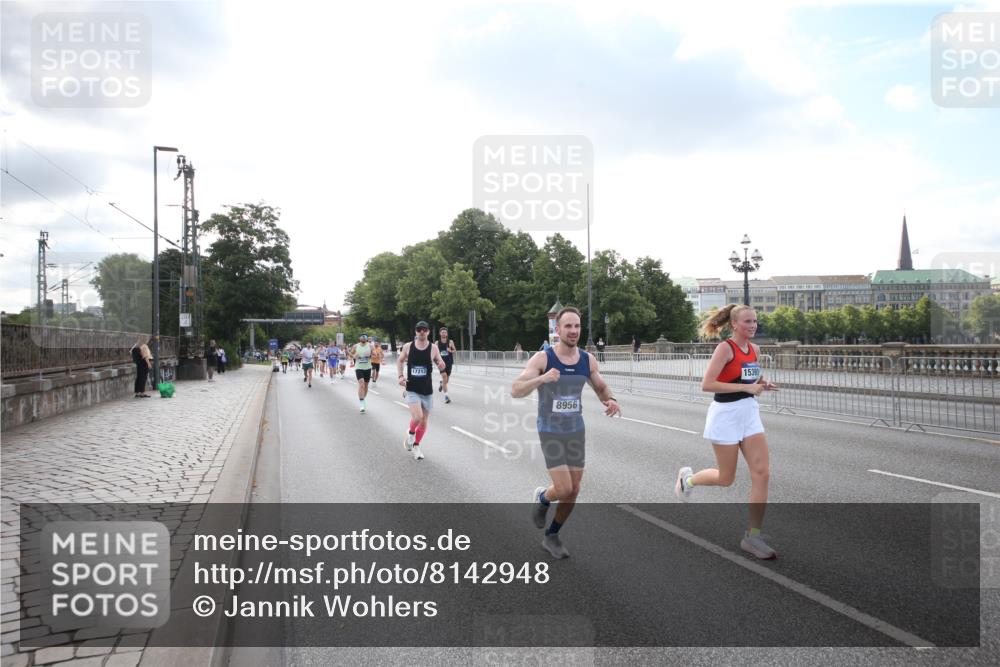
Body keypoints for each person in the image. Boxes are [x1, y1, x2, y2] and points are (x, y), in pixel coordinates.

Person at [512, 306, 621, 559]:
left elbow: (601, 386)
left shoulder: (587, 359)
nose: (573, 331)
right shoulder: (543, 359)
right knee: (562, 488)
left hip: (575, 430)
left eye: (577, 326)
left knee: (574, 490)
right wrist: (541, 379)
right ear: (557, 330)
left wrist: (611, 398)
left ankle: (552, 535)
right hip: (550, 429)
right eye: (568, 326)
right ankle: (543, 498)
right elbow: (516, 389)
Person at [675, 304, 779, 559]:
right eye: (747, 322)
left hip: (749, 414)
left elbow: (751, 379)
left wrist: (763, 384)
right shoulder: (725, 348)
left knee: (762, 473)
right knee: (726, 478)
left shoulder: (755, 349)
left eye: (755, 321)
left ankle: (753, 536)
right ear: (734, 324)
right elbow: (707, 384)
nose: (753, 325)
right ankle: (687, 480)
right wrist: (746, 389)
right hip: (726, 416)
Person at [397, 321, 447, 461]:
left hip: (427, 389)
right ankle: (411, 433)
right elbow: (400, 361)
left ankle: (416, 446)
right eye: (419, 329)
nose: (422, 332)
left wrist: (441, 365)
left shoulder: (433, 348)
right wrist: (400, 376)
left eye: (424, 329)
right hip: (412, 388)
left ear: (428, 332)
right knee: (417, 417)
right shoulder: (408, 347)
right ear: (416, 331)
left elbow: (439, 361)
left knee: (424, 421)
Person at [351, 334, 374, 413]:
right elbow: (350, 355)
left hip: (367, 367)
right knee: (361, 384)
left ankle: (363, 399)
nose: (363, 338)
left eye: (365, 337)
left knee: (366, 385)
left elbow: (375, 355)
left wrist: (370, 355)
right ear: (359, 338)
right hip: (359, 367)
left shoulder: (370, 346)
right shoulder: (355, 346)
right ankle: (362, 403)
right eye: (362, 336)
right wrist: (354, 356)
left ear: (366, 339)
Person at [436, 327, 457, 404]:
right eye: (442, 332)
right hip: (441, 363)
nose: (444, 333)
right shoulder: (437, 343)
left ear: (447, 334)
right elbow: (434, 352)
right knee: (444, 377)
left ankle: (442, 383)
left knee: (446, 381)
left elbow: (455, 350)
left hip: (449, 363)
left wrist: (450, 350)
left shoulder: (450, 342)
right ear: (440, 333)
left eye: (445, 332)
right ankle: (446, 396)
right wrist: (436, 361)